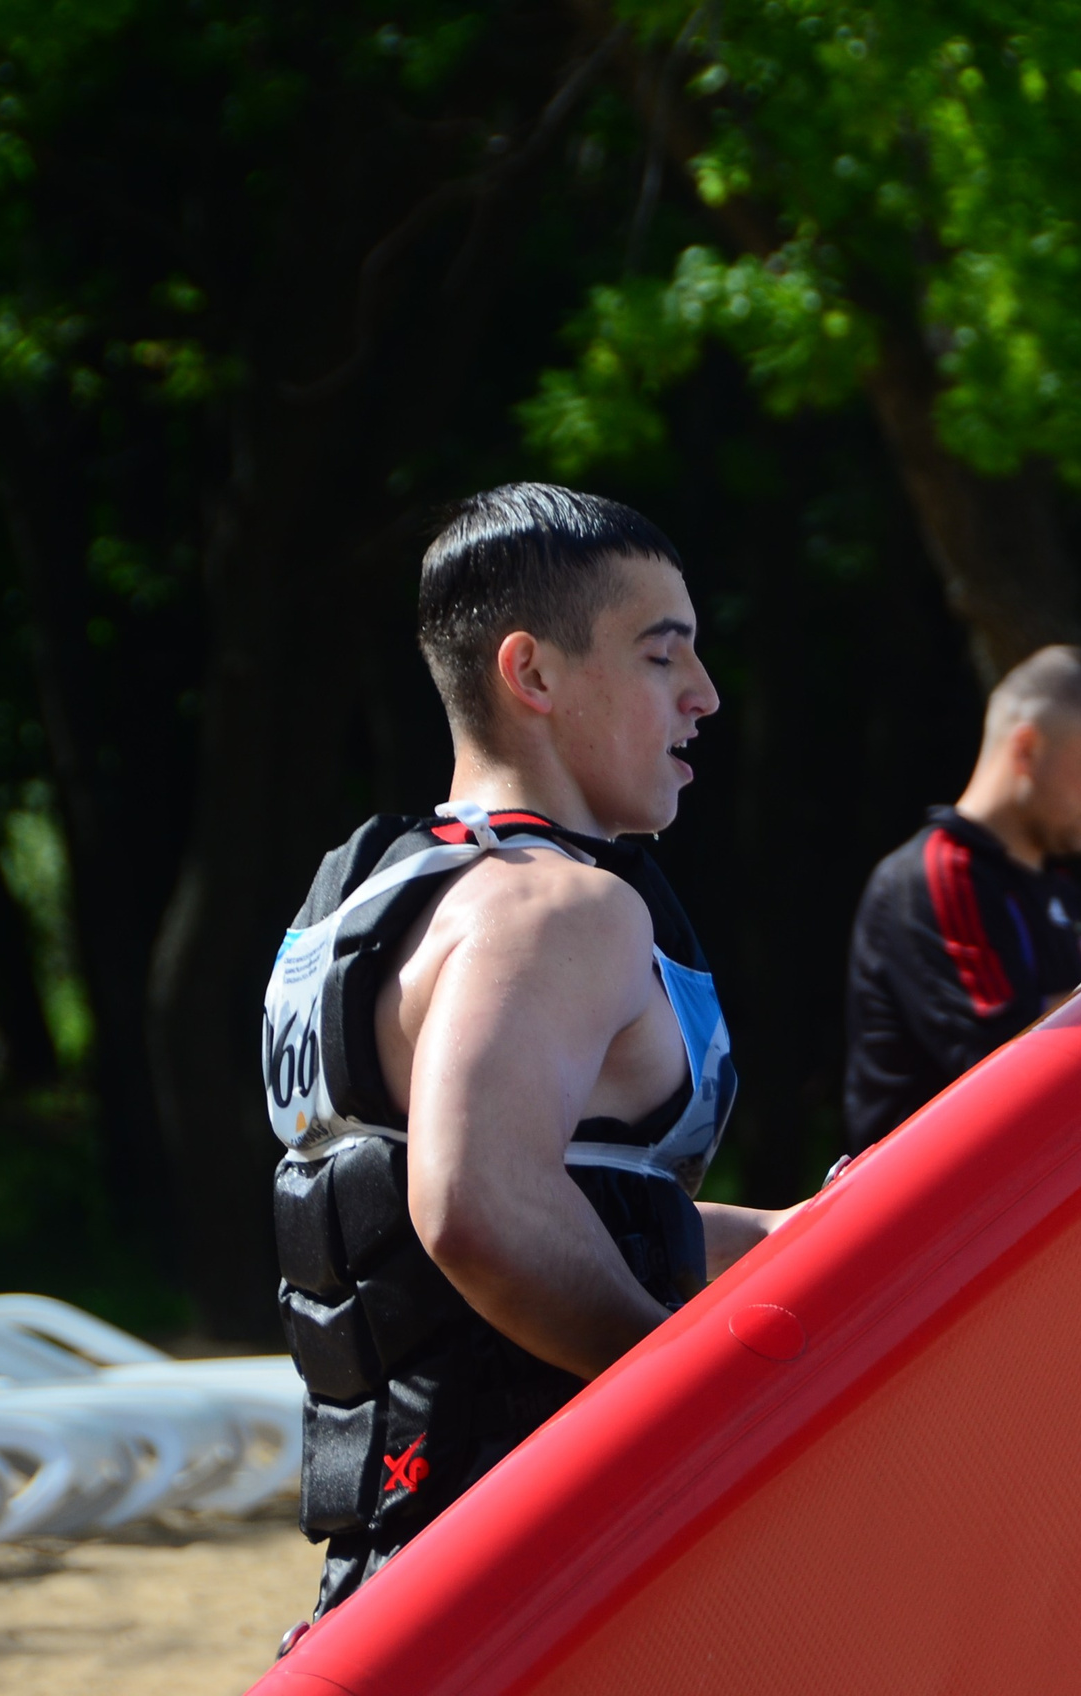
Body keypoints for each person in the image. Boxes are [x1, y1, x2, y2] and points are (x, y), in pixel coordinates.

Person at [260, 485, 796, 1621]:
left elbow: (509, 1206)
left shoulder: (379, 900)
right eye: (663, 656)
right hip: (549, 1578)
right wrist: (689, 1392)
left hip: (401, 1573)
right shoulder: (559, 910)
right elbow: (478, 1208)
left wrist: (784, 1235)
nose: (704, 695)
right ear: (533, 674)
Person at [841, 644, 1081, 1151]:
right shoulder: (939, 874)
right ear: (1026, 749)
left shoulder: (1063, 892)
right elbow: (1012, 1063)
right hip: (946, 1197)